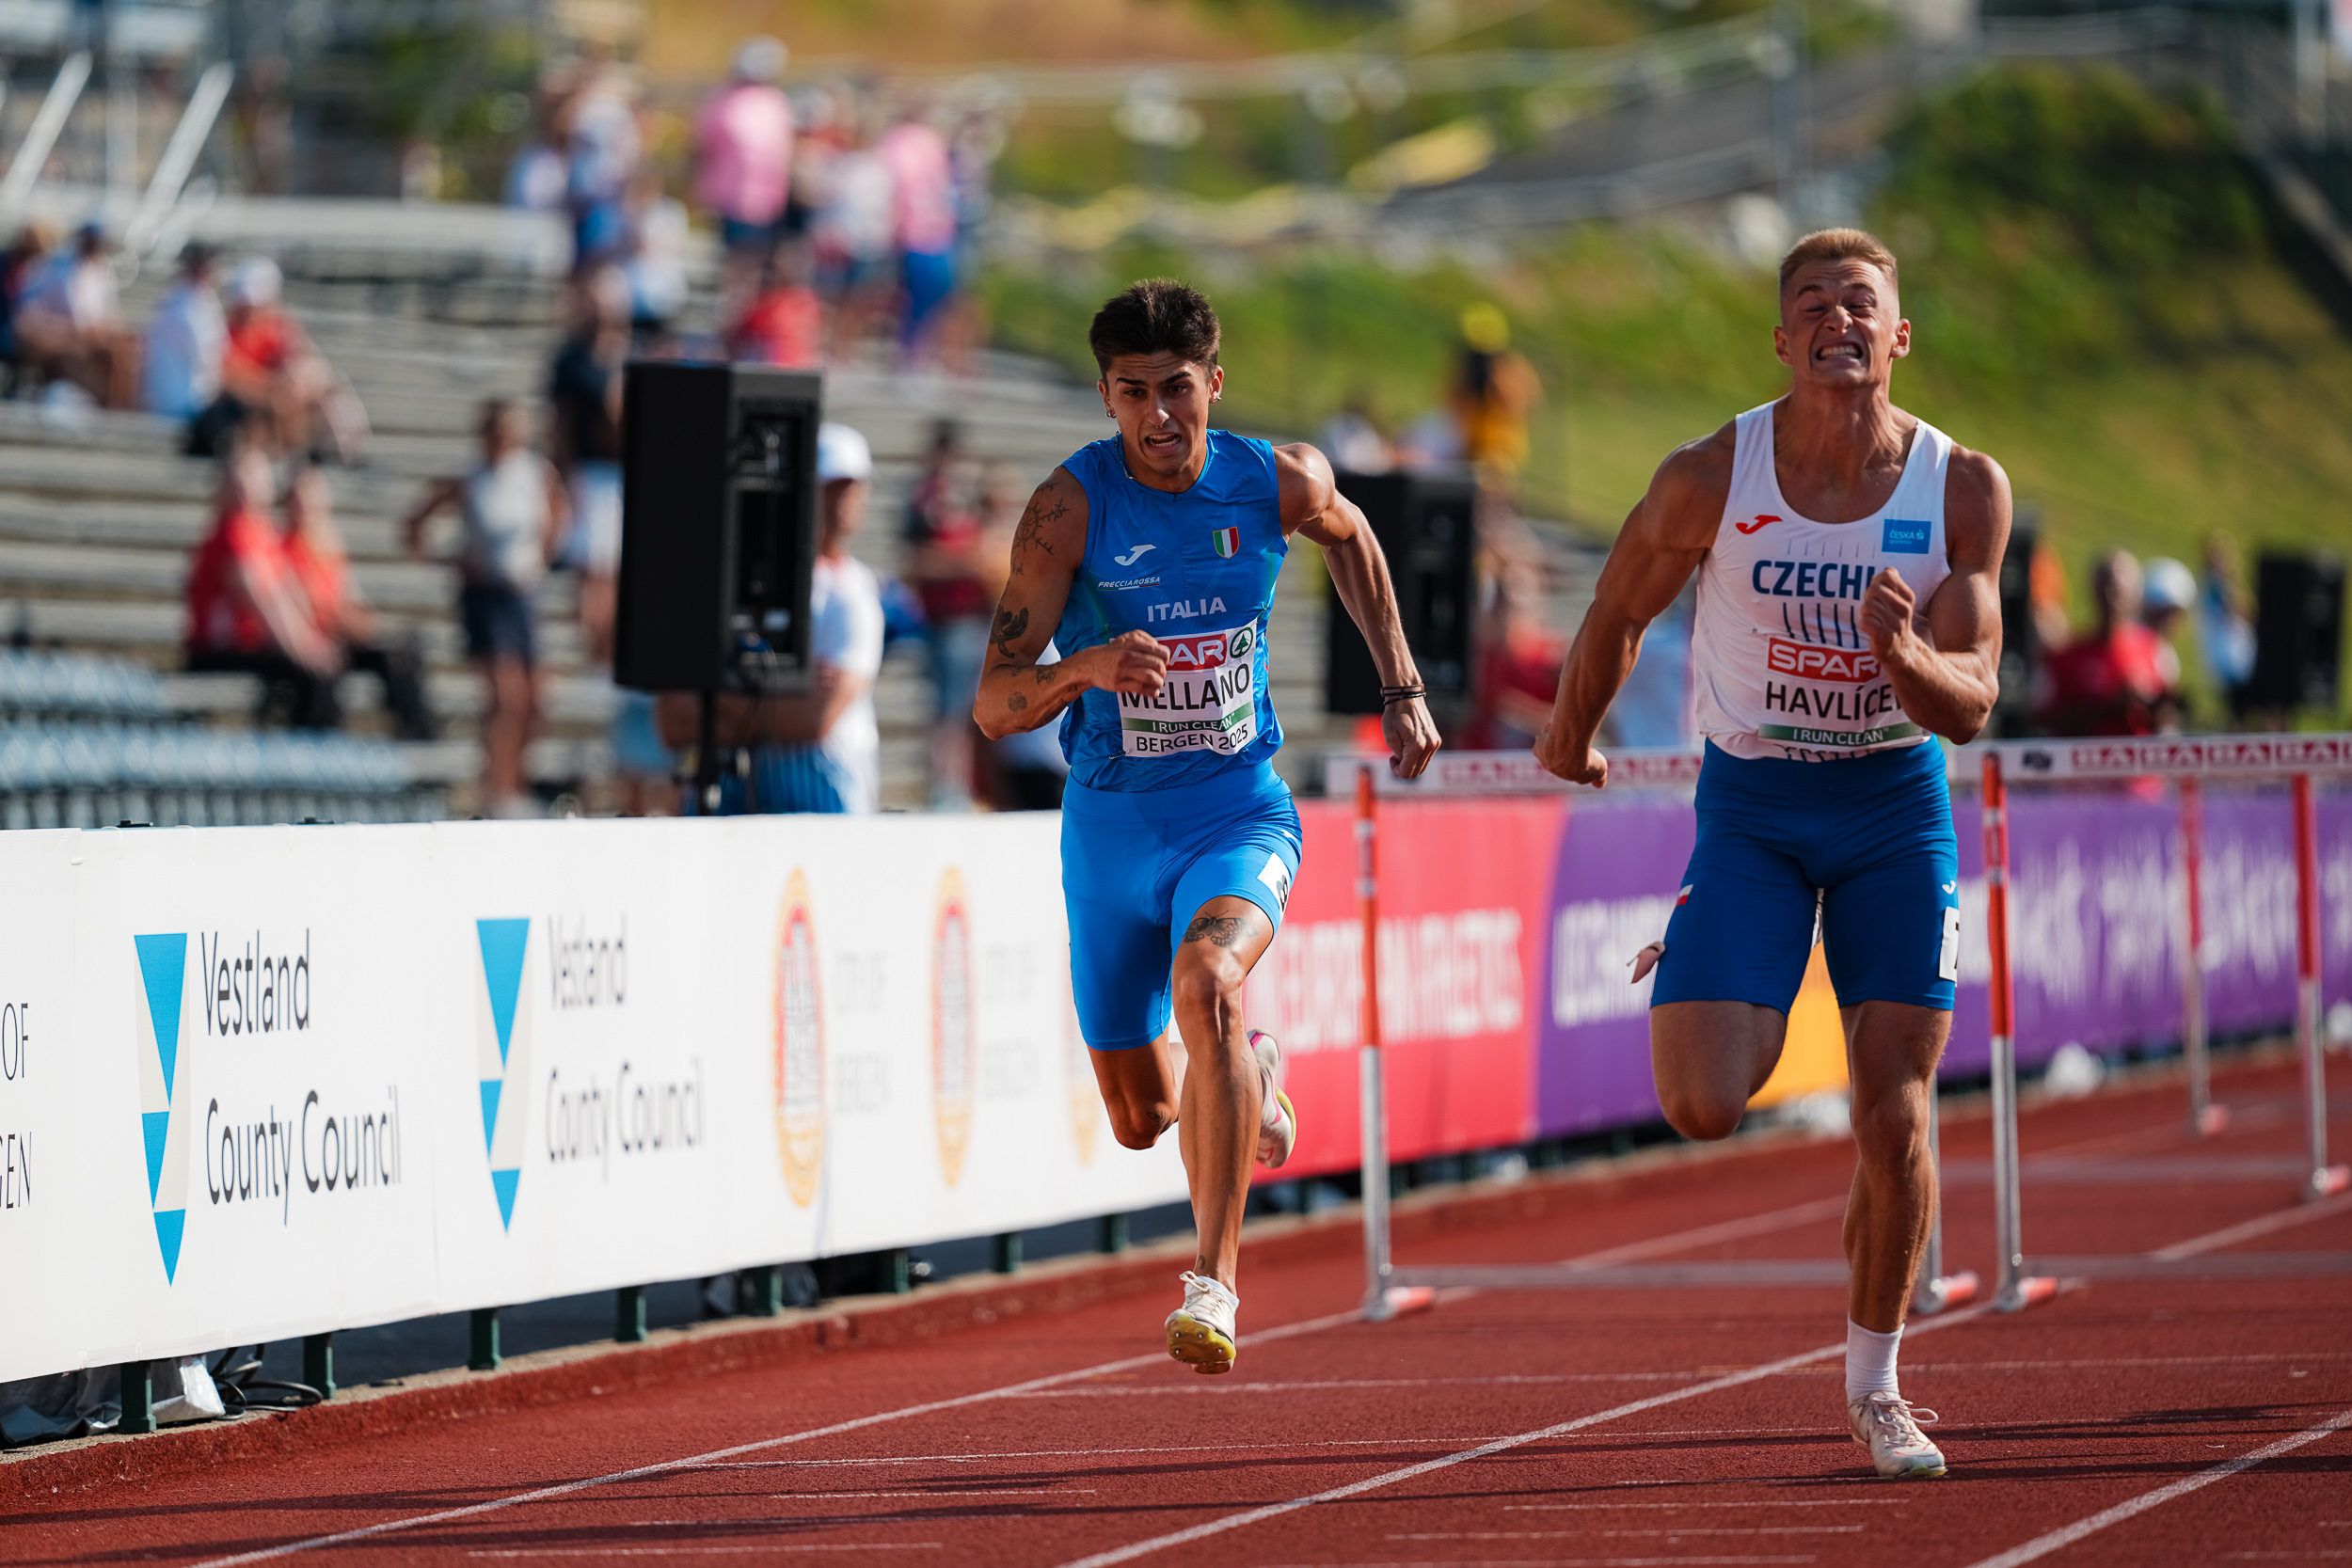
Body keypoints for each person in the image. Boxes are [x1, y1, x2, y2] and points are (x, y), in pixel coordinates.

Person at [1532, 229, 2012, 1481]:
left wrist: (1904, 659)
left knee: (1891, 1103)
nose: (1837, 319)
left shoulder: (1961, 487)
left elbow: (1972, 700)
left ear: (1898, 335)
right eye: (1812, 303)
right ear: (1783, 339)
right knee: (1701, 1101)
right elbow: (1619, 606)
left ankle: (1876, 1383)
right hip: (1751, 802)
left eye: (1861, 302)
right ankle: (1719, 940)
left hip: (1893, 807)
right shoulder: (1710, 473)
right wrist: (1570, 734)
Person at [973, 279, 1438, 1372]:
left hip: (1235, 809)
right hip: (1109, 829)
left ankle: (1213, 1284)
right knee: (1141, 1117)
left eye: (1176, 388)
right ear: (1105, 397)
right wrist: (1085, 667)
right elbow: (992, 702)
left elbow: (1353, 535)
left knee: (1209, 981)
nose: (1158, 415)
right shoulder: (1068, 510)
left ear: (1213, 384)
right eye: (1132, 393)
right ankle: (1252, 1077)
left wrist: (1401, 684)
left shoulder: (1276, 478)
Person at [656, 422, 886, 815]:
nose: (843, 500)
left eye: (851, 487)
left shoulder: (854, 592)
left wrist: (715, 692)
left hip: (822, 793)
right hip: (736, 787)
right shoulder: (738, 584)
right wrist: (784, 697)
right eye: (831, 487)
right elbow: (671, 718)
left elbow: (815, 718)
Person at [402, 402, 567, 818]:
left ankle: (516, 783)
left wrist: (543, 554)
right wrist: (445, 559)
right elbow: (418, 519)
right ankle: (495, 790)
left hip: (522, 594)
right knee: (505, 697)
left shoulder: (535, 474)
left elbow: (559, 511)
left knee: (535, 696)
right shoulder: (471, 477)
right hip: (485, 596)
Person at [185, 442, 343, 728]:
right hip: (219, 651)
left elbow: (286, 596)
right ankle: (307, 747)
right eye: (242, 482)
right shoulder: (230, 533)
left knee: (322, 667)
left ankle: (317, 745)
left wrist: (309, 641)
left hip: (252, 646)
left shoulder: (265, 533)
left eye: (256, 480)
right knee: (305, 672)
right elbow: (261, 600)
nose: (249, 490)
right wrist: (299, 649)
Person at [283, 467, 435, 740]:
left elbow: (349, 594)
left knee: (399, 654)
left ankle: (417, 733)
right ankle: (320, 739)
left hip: (339, 630)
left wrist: (366, 623)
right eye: (300, 500)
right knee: (323, 668)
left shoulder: (329, 542)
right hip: (315, 636)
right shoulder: (283, 548)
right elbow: (301, 607)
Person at [902, 420, 989, 807]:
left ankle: (958, 787)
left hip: (972, 617)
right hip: (945, 620)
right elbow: (914, 563)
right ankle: (944, 790)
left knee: (965, 710)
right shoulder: (923, 501)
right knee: (948, 710)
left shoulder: (961, 496)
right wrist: (966, 562)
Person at [548, 266, 629, 646]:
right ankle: (591, 649)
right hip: (589, 472)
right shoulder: (572, 360)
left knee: (614, 571)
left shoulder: (625, 353)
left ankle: (606, 651)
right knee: (593, 570)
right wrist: (565, 476)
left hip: (621, 474)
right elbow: (560, 424)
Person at [695, 36, 795, 303]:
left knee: (748, 264)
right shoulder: (737, 102)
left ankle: (741, 310)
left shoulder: (765, 102)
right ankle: (736, 309)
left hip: (756, 199)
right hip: (742, 199)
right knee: (742, 264)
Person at [2033, 550, 2171, 737]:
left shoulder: (2155, 650)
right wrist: (2106, 706)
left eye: (2118, 589)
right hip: (2085, 754)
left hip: (2139, 754)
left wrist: (2148, 703)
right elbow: (2041, 719)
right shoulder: (2065, 657)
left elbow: (2170, 720)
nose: (2111, 597)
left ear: (2136, 594)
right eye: (2105, 586)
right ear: (2094, 590)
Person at [15, 223, 136, 408]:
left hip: (84, 339)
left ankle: (119, 407)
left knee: (124, 351)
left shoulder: (100, 271)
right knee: (75, 358)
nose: (93, 248)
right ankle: (103, 407)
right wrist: (74, 332)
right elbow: (28, 320)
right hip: (56, 340)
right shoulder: (53, 268)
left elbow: (110, 314)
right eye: (90, 243)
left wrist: (106, 332)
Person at [142, 245, 227, 425]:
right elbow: (208, 361)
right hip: (184, 406)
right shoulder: (182, 309)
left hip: (196, 398)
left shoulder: (202, 300)